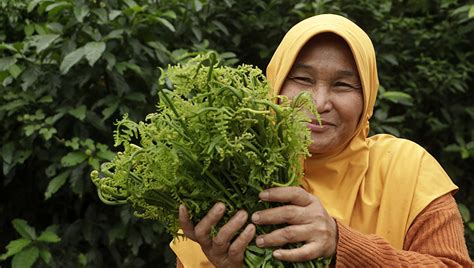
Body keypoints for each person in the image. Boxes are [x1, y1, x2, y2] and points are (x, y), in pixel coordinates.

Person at [170, 14, 472, 267]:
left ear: (366, 98)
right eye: (302, 79)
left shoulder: (407, 171)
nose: (318, 102)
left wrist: (343, 245)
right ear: (274, 86)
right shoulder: (229, 179)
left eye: (342, 85)